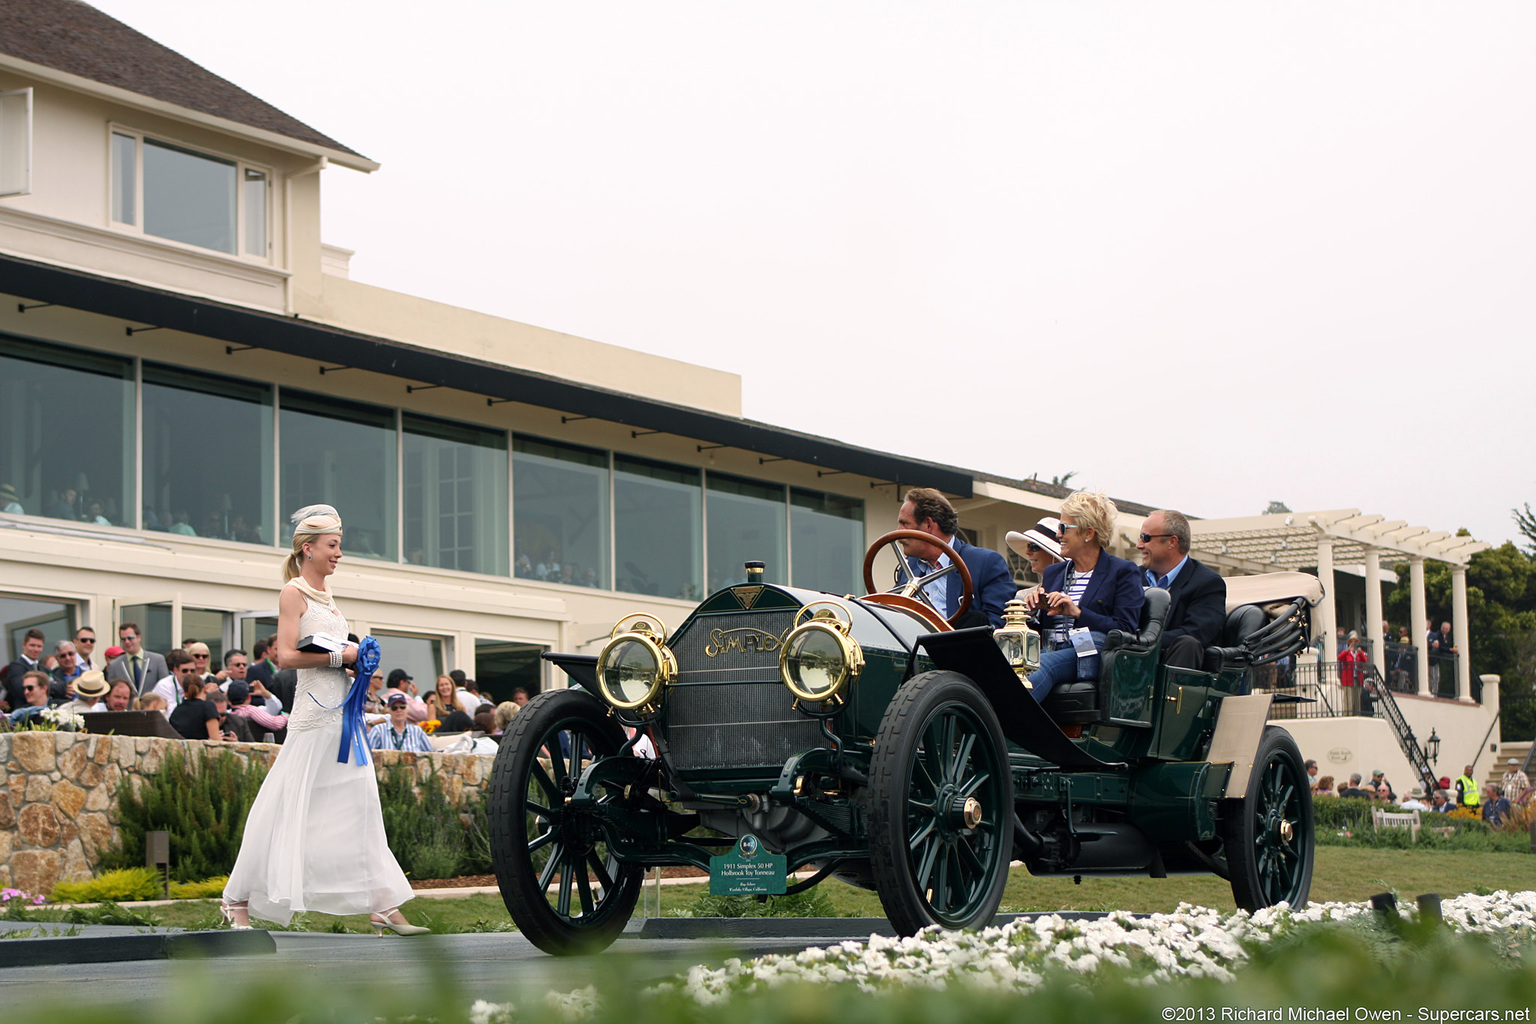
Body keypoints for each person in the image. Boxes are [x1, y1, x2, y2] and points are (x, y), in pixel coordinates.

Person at [222, 504, 422, 935]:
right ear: (308, 548)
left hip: (341, 715)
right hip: (313, 715)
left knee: (362, 803)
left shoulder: (329, 598)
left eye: (339, 546)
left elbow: (327, 656)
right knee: (284, 802)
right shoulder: (293, 592)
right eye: (333, 546)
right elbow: (287, 655)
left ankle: (383, 904)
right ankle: (236, 898)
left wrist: (353, 664)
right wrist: (343, 654)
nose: (339, 554)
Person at [1019, 491, 1145, 703]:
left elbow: (1126, 628)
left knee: (1045, 665)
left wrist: (1077, 612)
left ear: (1088, 533)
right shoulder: (1054, 573)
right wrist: (1032, 611)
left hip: (1085, 651)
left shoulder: (1122, 571)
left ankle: (1003, 724)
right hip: (1048, 648)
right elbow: (1042, 626)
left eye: (1063, 528)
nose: (1058, 534)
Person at [895, 487, 1015, 628]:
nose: (898, 531)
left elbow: (998, 625)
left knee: (977, 619)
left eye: (904, 524)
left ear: (928, 525)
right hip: (911, 646)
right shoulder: (908, 569)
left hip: (962, 648)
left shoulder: (985, 563)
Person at [1135, 509, 1226, 669]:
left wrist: (1142, 640)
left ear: (1172, 541)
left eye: (1146, 538)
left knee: (1187, 644)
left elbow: (1196, 633)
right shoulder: (1132, 578)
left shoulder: (1207, 583)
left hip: (1170, 667)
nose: (1139, 545)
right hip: (1126, 663)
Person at [105, 623, 168, 696]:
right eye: (123, 639)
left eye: (130, 638)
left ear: (139, 637)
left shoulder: (157, 660)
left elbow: (165, 687)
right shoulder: (115, 665)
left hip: (152, 705)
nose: (127, 642)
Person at [368, 693, 433, 753]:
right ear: (389, 710)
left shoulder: (417, 731)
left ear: (407, 709)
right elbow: (368, 754)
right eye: (394, 708)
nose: (399, 710)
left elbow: (430, 755)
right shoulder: (378, 730)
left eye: (402, 707)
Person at [1005, 516, 1065, 581]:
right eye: (1028, 545)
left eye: (1034, 546)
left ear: (1055, 556)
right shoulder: (1026, 591)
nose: (1027, 552)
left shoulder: (1072, 589)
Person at [168, 670, 221, 740]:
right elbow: (215, 739)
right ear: (204, 689)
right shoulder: (208, 707)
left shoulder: (177, 710)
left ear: (185, 693)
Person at [5, 628, 47, 711]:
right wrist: (47, 686)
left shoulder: (44, 669)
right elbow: (20, 690)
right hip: (25, 715)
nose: (36, 649)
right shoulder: (16, 667)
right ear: (24, 645)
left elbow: (62, 688)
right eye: (32, 645)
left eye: (39, 646)